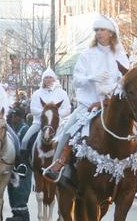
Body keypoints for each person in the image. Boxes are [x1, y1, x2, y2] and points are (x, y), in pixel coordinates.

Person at [44, 15, 129, 184]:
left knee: (135, 132)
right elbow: (76, 80)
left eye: (102, 30)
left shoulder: (120, 55)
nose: (99, 33)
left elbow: (126, 80)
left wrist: (112, 91)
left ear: (111, 33)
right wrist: (92, 78)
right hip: (88, 105)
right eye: (96, 30)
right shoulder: (87, 54)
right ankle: (58, 164)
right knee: (69, 130)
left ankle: (134, 168)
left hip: (114, 105)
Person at [20, 68, 70, 164]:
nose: (48, 80)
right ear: (43, 80)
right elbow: (33, 109)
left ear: (54, 79)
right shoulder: (37, 93)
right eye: (46, 78)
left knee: (69, 141)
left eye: (50, 77)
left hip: (58, 124)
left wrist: (54, 115)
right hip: (39, 123)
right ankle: (23, 164)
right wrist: (47, 114)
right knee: (25, 140)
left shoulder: (62, 93)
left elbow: (67, 109)